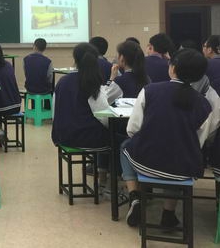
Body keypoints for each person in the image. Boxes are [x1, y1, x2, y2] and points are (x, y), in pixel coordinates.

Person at [121, 49, 215, 228]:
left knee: (125, 145)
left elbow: (132, 129)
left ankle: (135, 196)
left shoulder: (150, 90)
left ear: (173, 68)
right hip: (183, 169)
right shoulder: (204, 104)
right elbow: (199, 141)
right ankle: (168, 213)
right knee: (178, 158)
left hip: (146, 162)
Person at [51, 43, 110, 151]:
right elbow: (104, 116)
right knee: (118, 137)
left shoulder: (62, 81)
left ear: (75, 59)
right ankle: (103, 162)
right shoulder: (92, 82)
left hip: (61, 136)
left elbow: (54, 111)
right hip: (86, 138)